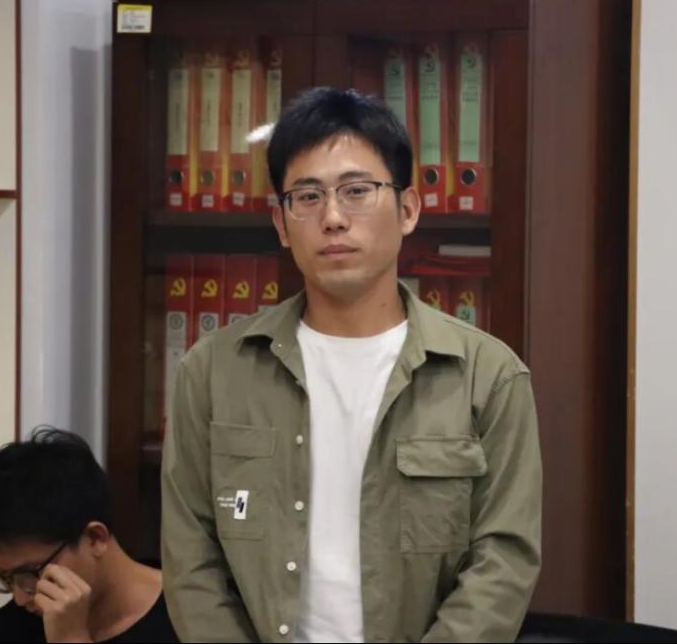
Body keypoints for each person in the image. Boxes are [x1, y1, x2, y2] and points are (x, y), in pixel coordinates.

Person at [162, 86, 542, 643]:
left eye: (357, 191)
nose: (333, 217)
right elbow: (190, 558)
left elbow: (503, 561)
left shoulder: (487, 375)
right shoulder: (213, 371)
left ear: (408, 209)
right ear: (281, 223)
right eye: (308, 196)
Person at [0, 427, 177, 643]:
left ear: (95, 538)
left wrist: (71, 639)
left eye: (30, 573)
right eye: (5, 577)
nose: (20, 598)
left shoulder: (186, 615)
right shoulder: (11, 626)